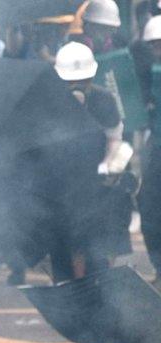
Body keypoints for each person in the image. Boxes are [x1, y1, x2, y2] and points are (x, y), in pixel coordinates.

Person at [54, 41, 133, 277]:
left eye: (83, 80)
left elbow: (115, 137)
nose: (77, 85)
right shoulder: (52, 100)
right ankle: (73, 286)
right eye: (71, 81)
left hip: (98, 182)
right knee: (68, 244)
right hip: (64, 182)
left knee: (101, 242)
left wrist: (109, 168)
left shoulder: (104, 99)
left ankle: (103, 284)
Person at [137, 15, 161, 289]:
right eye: (154, 46)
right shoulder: (143, 76)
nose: (158, 52)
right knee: (150, 206)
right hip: (156, 147)